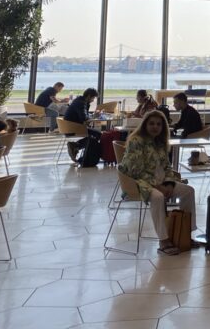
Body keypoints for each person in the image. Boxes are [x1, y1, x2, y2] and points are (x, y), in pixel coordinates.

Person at [118, 110, 197, 256]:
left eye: (159, 124)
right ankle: (163, 239)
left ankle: (186, 233)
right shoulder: (136, 141)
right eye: (152, 123)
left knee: (188, 191)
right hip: (139, 182)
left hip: (161, 181)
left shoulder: (160, 143)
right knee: (158, 197)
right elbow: (135, 171)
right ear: (145, 125)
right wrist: (158, 187)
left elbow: (167, 167)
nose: (155, 127)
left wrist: (168, 183)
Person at [65, 87, 99, 162]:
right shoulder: (81, 103)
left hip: (69, 126)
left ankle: (76, 146)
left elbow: (84, 117)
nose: (93, 100)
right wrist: (94, 116)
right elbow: (84, 118)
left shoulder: (78, 100)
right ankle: (76, 146)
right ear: (89, 96)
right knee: (98, 134)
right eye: (93, 98)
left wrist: (91, 116)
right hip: (74, 128)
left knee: (94, 135)